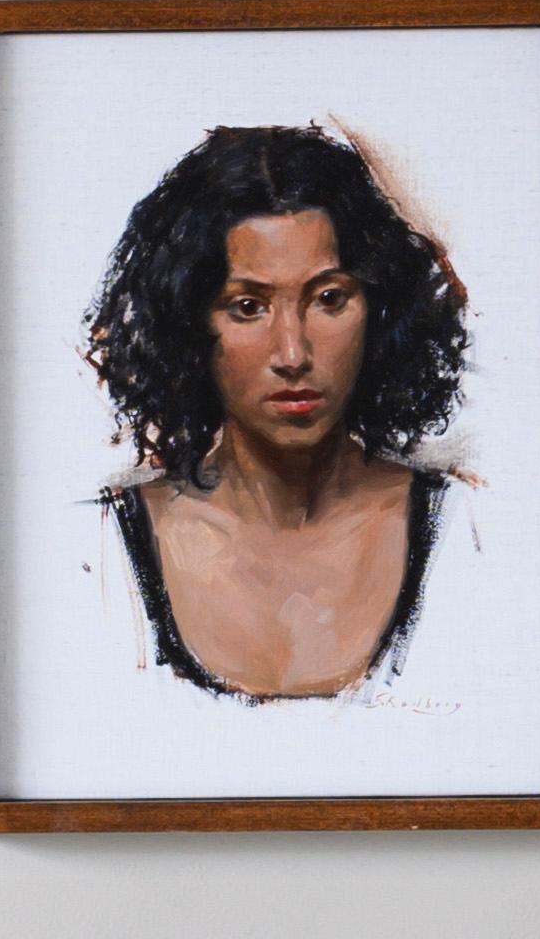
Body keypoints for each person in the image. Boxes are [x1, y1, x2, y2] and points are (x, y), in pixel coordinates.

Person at [82, 122, 473, 703]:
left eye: (328, 299)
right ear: (188, 323)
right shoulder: (100, 547)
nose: (293, 353)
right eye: (248, 307)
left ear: (381, 308)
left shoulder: (467, 530)